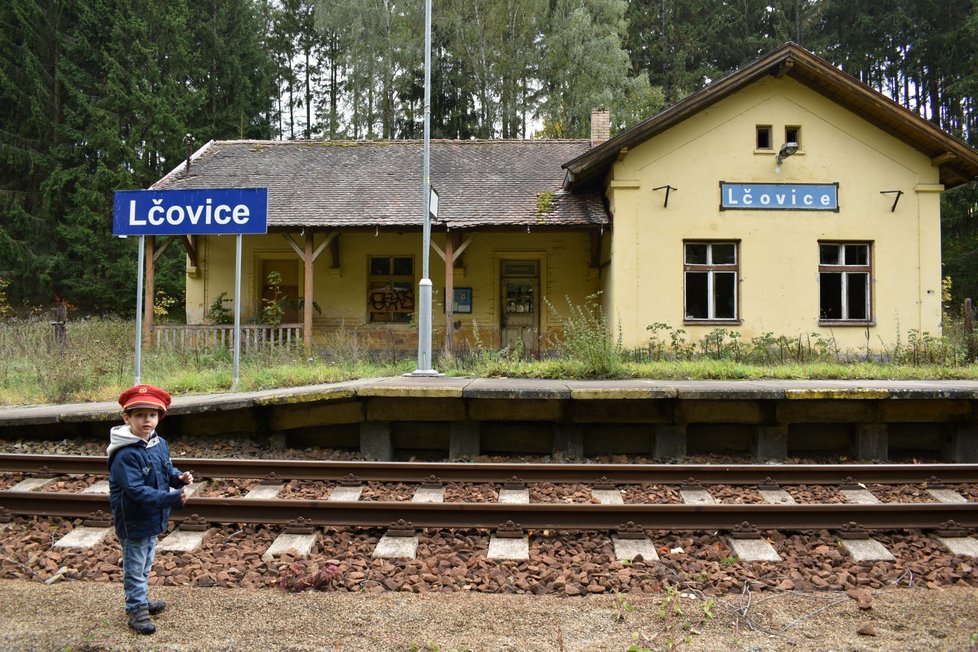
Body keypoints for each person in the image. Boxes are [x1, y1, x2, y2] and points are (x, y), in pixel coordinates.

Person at [107, 384, 193, 635]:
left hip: (152, 515)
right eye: (140, 415)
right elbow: (135, 491)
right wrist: (172, 499)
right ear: (127, 418)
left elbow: (166, 470)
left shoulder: (158, 443)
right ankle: (136, 609)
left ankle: (141, 600)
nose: (147, 420)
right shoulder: (125, 455)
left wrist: (179, 479)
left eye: (152, 415)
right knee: (135, 566)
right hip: (133, 519)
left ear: (159, 417)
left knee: (145, 562)